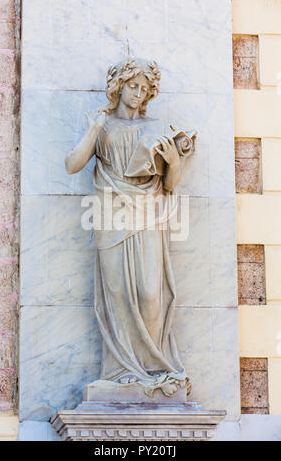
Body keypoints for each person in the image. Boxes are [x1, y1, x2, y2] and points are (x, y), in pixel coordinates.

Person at [65, 58, 191, 397]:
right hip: (110, 216)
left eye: (144, 89)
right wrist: (92, 131)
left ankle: (151, 368)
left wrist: (174, 161)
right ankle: (121, 372)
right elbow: (72, 164)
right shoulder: (103, 126)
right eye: (132, 86)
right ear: (119, 86)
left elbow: (169, 184)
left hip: (148, 214)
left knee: (151, 293)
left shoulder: (157, 126)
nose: (137, 94)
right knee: (118, 295)